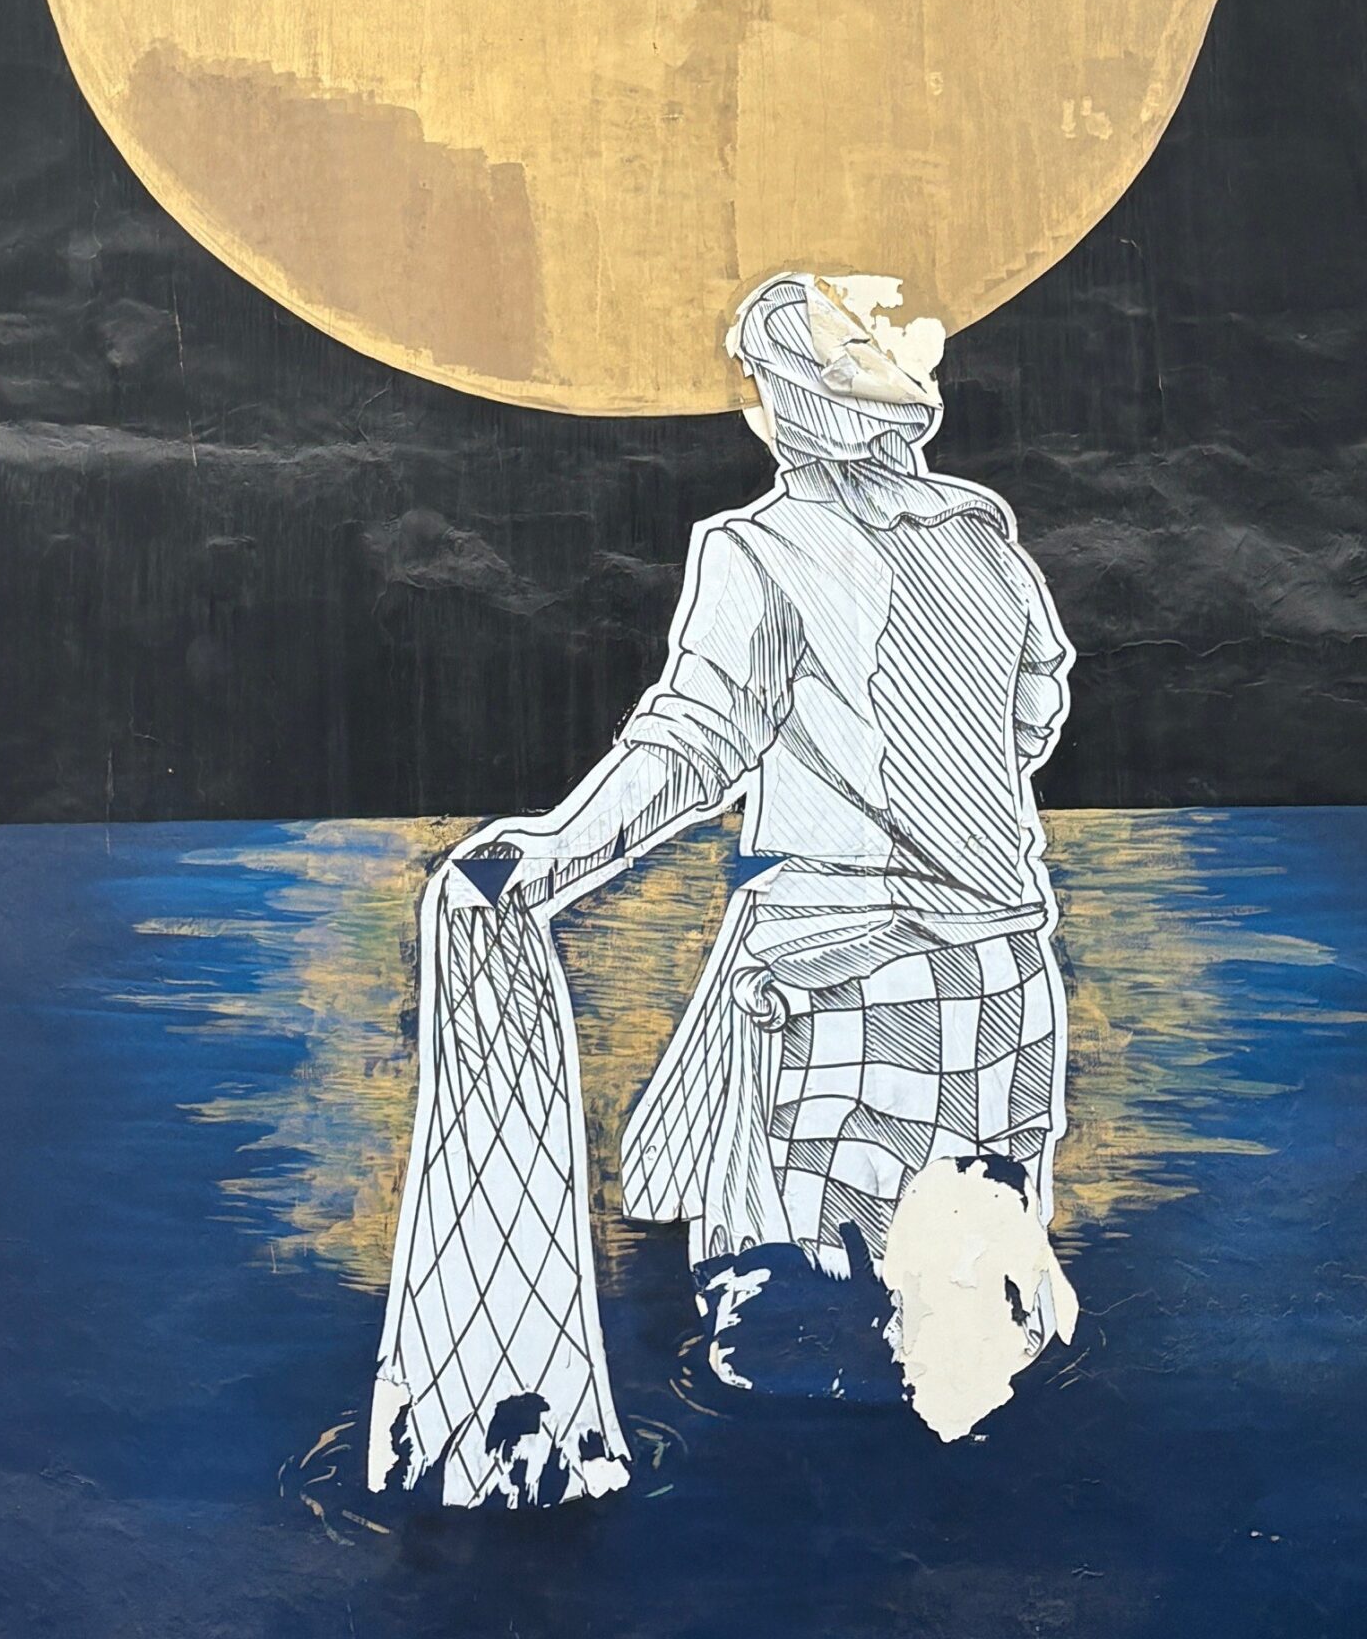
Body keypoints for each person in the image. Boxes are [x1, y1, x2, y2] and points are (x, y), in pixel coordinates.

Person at [370, 271, 1076, 1507]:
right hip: (1003, 973)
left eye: (762, 387)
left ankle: (810, 1555)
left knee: (802, 1347)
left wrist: (556, 849)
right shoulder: (980, 531)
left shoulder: (758, 551)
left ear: (799, 403)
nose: (755, 410)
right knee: (977, 1323)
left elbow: (691, 745)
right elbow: (1037, 706)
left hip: (845, 982)